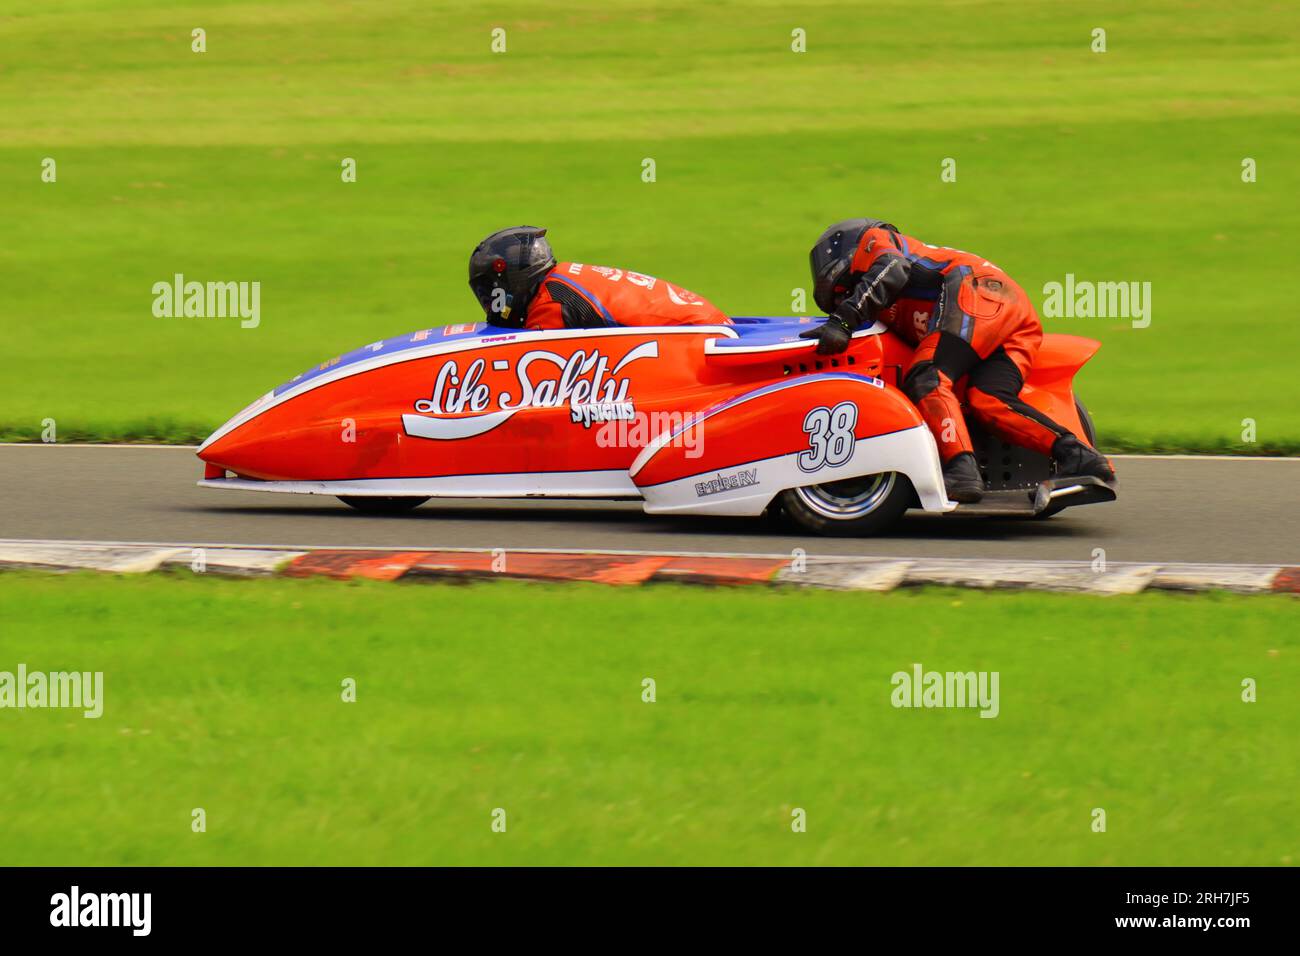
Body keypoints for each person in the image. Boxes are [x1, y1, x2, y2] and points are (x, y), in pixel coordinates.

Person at [800, 218, 1114, 502]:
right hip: (1013, 314)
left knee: (927, 376)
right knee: (987, 399)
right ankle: (1080, 456)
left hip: (974, 291)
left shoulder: (874, 240)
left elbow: (893, 270)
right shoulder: (889, 305)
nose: (842, 300)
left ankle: (962, 470)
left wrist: (842, 321)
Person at [468, 226, 730, 331]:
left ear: (514, 277)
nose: (491, 303)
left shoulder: (552, 304)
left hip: (700, 337)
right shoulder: (564, 277)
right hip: (706, 324)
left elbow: (531, 358)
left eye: (491, 290)